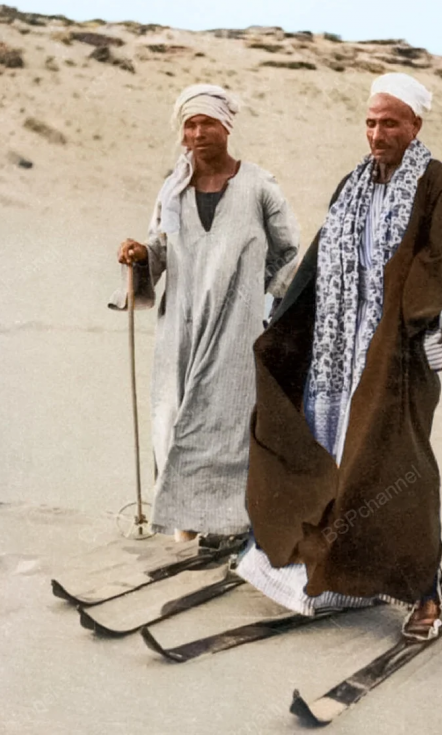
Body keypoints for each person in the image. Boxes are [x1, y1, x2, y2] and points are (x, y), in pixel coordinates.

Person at [237, 73, 442, 640]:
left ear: (415, 126)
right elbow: (319, 259)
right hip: (337, 352)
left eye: (390, 123)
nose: (378, 134)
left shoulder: (438, 184)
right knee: (335, 462)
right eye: (371, 122)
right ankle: (336, 575)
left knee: (399, 468)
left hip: (395, 355)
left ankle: (426, 592)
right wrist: (284, 315)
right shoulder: (352, 184)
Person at [110, 84, 300, 541]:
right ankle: (185, 525)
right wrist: (140, 254)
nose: (198, 133)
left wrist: (260, 297)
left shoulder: (259, 186)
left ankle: (229, 525)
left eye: (207, 123)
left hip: (237, 326)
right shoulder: (173, 190)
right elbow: (160, 246)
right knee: (173, 415)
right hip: (180, 323)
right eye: (190, 125)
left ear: (226, 127)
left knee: (228, 420)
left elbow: (288, 250)